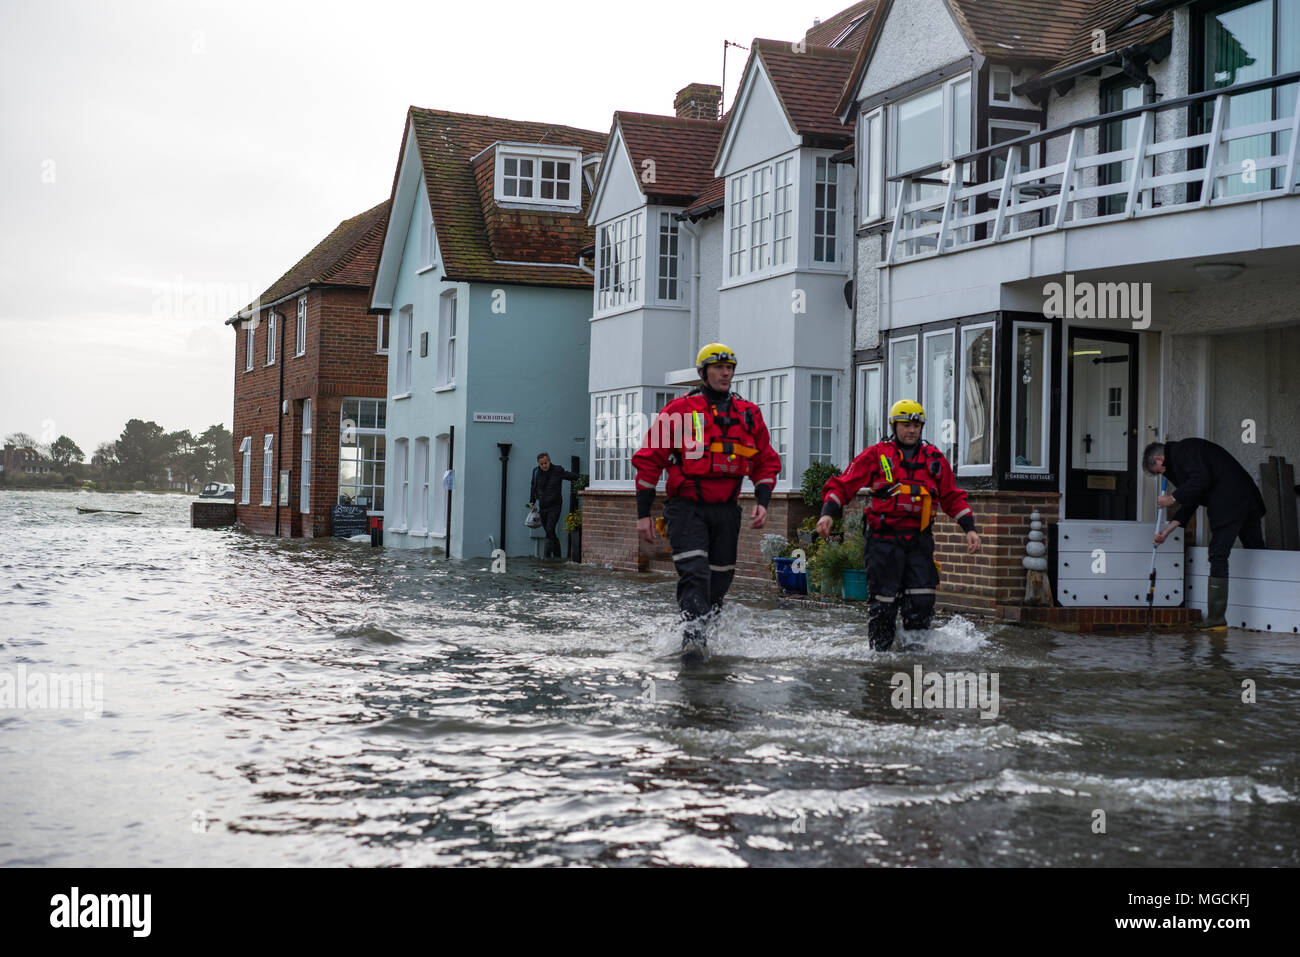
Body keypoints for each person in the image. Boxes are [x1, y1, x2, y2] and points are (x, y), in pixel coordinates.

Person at [632, 343, 782, 662]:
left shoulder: (748, 414)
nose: (725, 373)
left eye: (730, 368)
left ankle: (706, 634)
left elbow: (766, 461)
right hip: (686, 508)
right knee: (695, 572)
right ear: (703, 373)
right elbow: (648, 462)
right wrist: (643, 514)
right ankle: (693, 642)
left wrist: (763, 500)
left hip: (727, 509)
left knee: (720, 578)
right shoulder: (679, 412)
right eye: (718, 368)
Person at [817, 399, 981, 652]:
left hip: (918, 542)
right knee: (883, 605)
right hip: (883, 542)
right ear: (895, 426)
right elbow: (843, 484)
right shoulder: (876, 455)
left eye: (916, 425)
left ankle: (913, 657)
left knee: (922, 601)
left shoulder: (935, 459)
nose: (911, 430)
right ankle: (880, 658)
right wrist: (828, 514)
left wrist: (969, 529)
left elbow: (952, 496)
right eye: (906, 425)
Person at [1143, 438, 1267, 630]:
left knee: (1218, 553)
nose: (1163, 473)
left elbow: (1201, 479)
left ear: (1160, 458)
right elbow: (1191, 498)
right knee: (1256, 548)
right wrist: (1167, 531)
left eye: (1159, 470)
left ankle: (1216, 618)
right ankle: (1268, 606)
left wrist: (1172, 498)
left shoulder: (1185, 451)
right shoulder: (1182, 461)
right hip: (1245, 499)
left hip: (1230, 502)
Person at [529, 452, 580, 559]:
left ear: (549, 461)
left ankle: (547, 557)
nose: (544, 466)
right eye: (541, 464)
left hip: (555, 505)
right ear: (538, 464)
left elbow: (569, 475)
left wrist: (583, 479)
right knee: (549, 530)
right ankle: (557, 555)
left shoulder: (557, 470)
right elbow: (533, 486)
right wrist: (532, 501)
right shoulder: (536, 471)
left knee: (550, 527)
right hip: (542, 505)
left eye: (545, 463)